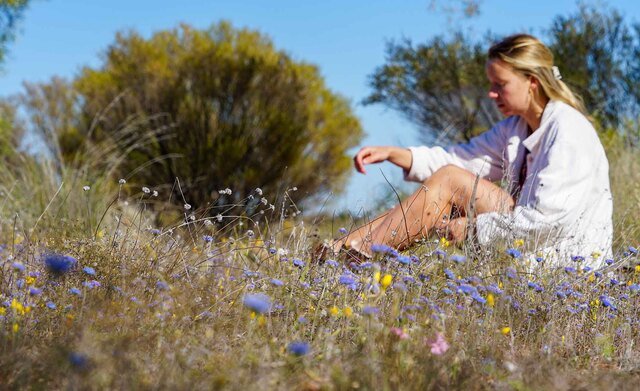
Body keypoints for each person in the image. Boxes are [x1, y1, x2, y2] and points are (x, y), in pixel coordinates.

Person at [323, 34, 613, 268]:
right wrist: (395, 153)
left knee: (448, 181)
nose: (491, 93)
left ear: (532, 83)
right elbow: (462, 161)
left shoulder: (568, 131)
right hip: (527, 239)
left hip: (565, 260)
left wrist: (475, 229)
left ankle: (355, 257)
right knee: (433, 193)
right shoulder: (516, 127)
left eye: (500, 85)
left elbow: (549, 222)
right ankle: (340, 252)